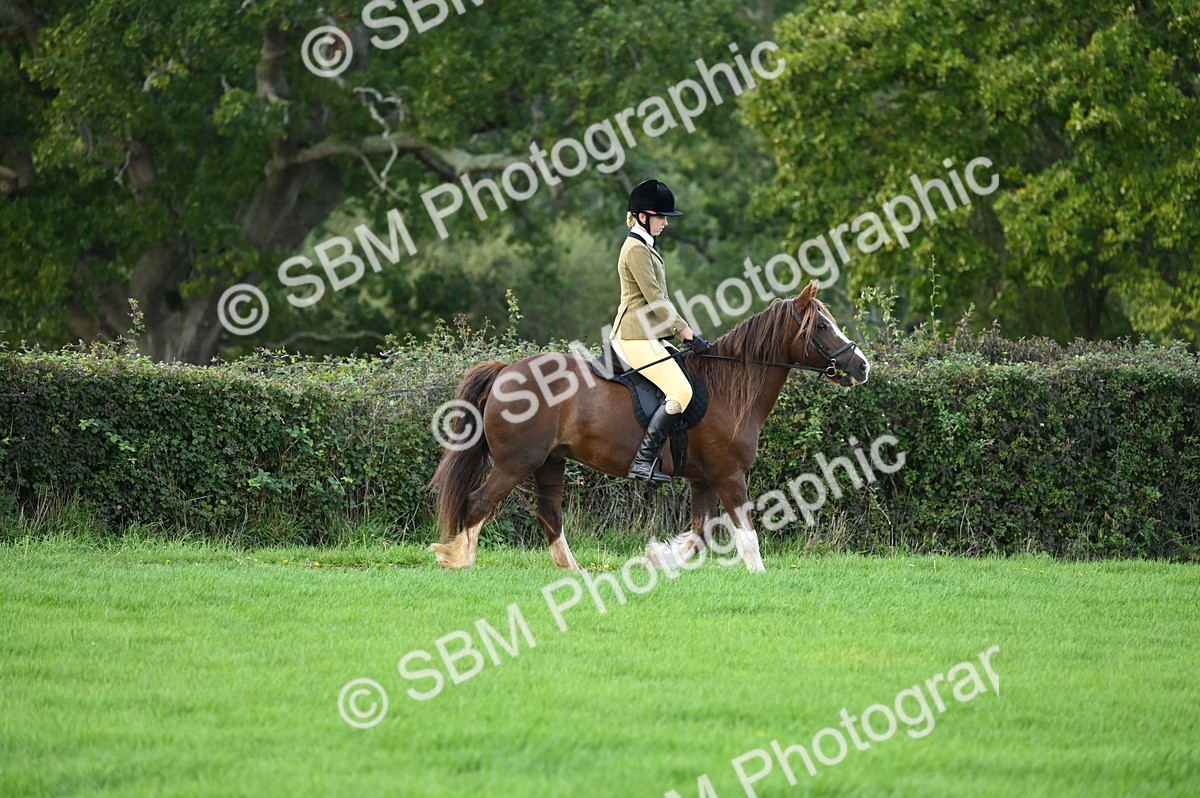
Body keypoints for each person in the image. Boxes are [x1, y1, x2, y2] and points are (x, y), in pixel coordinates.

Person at [610, 179, 709, 484]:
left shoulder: (645, 247)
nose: (665, 223)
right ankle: (642, 461)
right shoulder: (636, 250)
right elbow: (655, 298)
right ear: (643, 216)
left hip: (648, 335)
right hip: (633, 336)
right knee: (681, 391)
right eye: (661, 217)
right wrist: (686, 333)